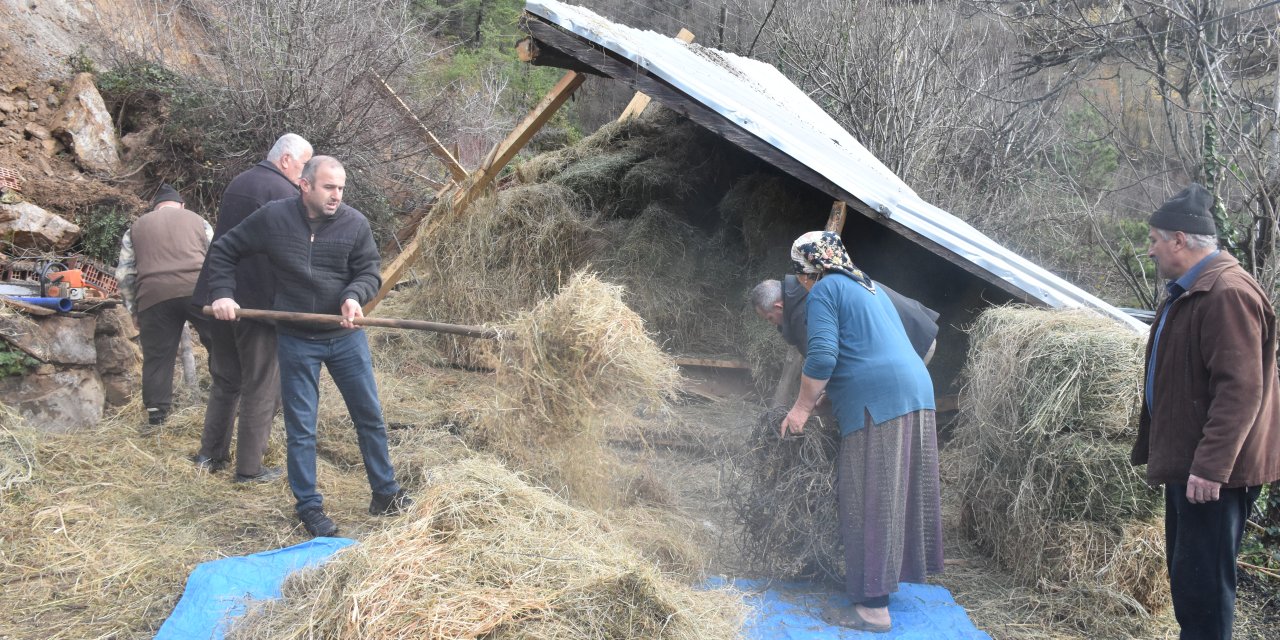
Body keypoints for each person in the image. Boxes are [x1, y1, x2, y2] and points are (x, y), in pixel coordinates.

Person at [205, 156, 410, 537]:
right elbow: (224, 249)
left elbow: (369, 272)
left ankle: (385, 493)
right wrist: (222, 293)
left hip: (345, 337)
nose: (337, 196)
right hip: (297, 337)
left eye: (341, 188)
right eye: (329, 187)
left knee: (369, 417)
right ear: (304, 185)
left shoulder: (354, 223)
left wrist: (354, 296)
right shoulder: (273, 218)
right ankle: (309, 507)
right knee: (302, 427)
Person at [1132, 183, 1280, 640]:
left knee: (1204, 590)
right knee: (1190, 582)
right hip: (1195, 467)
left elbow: (1241, 390)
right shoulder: (1193, 290)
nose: (1150, 250)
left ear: (1180, 240)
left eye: (1155, 239)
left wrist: (1211, 468)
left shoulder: (1225, 293)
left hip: (1216, 475)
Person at [779, 230, 943, 633]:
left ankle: (872, 609)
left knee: (867, 495)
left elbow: (822, 355)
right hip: (916, 392)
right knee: (896, 494)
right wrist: (825, 400)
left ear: (810, 267)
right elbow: (864, 349)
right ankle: (884, 584)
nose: (800, 278)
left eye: (800, 270)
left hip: (880, 401)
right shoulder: (866, 286)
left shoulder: (824, 291)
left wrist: (800, 407)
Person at [190, 133, 313, 481]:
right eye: (304, 165)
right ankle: (249, 470)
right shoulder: (285, 195)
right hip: (257, 306)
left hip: (219, 297)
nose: (305, 176)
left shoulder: (241, 182)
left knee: (226, 379)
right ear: (286, 160)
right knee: (261, 385)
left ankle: (210, 455)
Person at [115, 184, 213, 428]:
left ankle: (157, 416)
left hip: (154, 297)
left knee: (157, 357)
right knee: (221, 347)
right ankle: (228, 399)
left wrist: (133, 309)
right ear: (181, 205)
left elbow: (124, 274)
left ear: (155, 207)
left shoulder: (136, 228)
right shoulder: (198, 220)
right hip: (198, 292)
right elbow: (216, 256)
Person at [751, 275, 939, 363]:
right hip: (916, 324)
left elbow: (823, 361)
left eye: (769, 318)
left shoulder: (804, 308)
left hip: (912, 341)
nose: (773, 324)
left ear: (779, 306)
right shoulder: (809, 281)